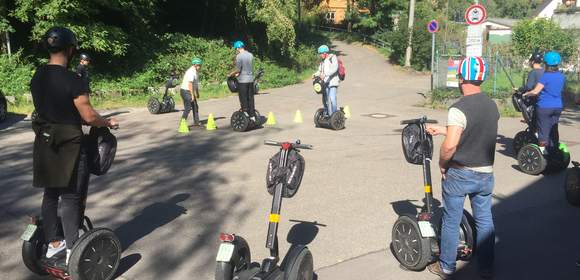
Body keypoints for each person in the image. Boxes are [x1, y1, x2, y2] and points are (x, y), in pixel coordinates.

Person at [30, 27, 118, 264]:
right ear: (70, 50)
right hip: (70, 142)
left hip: (45, 140)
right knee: (70, 196)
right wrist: (108, 122)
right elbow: (88, 116)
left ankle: (53, 243)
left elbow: (52, 109)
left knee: (50, 194)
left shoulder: (38, 76)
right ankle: (72, 248)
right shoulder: (73, 79)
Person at [425, 56, 499, 279]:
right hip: (485, 173)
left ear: (460, 78)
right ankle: (486, 268)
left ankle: (446, 266)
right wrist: (443, 129)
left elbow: (450, 147)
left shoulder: (458, 108)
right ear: (481, 79)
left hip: (460, 172)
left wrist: (442, 164)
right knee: (484, 219)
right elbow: (476, 131)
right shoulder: (491, 105)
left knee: (451, 220)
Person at [524, 51, 566, 154]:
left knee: (543, 129)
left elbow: (535, 91)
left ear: (546, 63)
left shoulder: (546, 76)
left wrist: (526, 94)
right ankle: (554, 148)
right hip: (558, 107)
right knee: (553, 128)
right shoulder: (561, 76)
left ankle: (543, 152)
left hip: (544, 107)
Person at [228, 40, 256, 120]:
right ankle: (252, 115)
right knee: (250, 98)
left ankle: (245, 114)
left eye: (236, 49)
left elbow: (238, 70)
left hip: (242, 81)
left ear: (237, 48)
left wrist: (231, 74)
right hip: (250, 79)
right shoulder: (250, 55)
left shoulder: (239, 56)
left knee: (243, 98)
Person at [313, 45, 340, 116]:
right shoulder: (322, 61)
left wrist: (325, 74)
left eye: (321, 54)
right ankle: (328, 113)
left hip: (333, 82)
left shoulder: (332, 57)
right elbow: (320, 71)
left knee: (332, 98)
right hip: (325, 83)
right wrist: (315, 75)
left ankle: (334, 115)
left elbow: (335, 68)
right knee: (326, 100)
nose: (320, 55)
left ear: (325, 53)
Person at [180, 58, 203, 126]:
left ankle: (196, 122)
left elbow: (195, 83)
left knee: (195, 106)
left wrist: (197, 92)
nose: (200, 67)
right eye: (199, 65)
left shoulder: (195, 72)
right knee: (188, 108)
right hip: (185, 91)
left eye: (200, 65)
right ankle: (182, 123)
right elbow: (190, 84)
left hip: (189, 91)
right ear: (195, 65)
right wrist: (192, 95)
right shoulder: (191, 72)